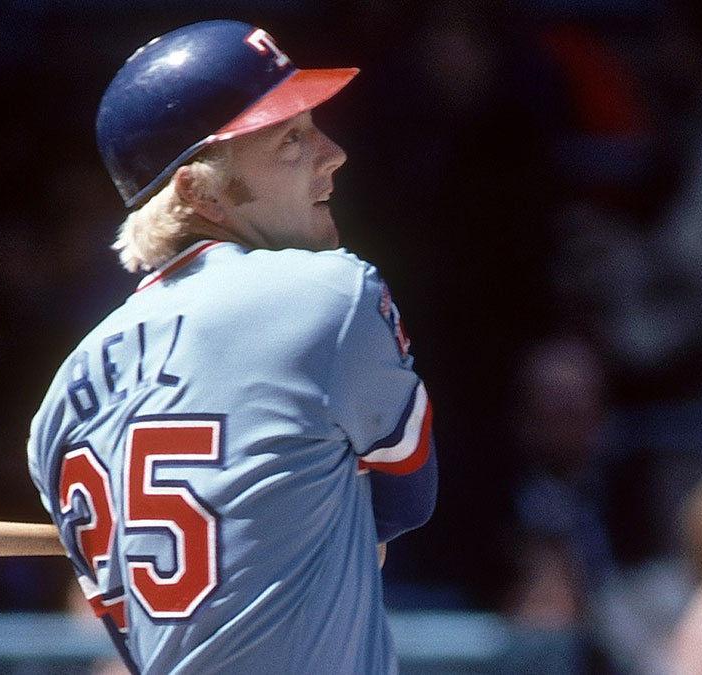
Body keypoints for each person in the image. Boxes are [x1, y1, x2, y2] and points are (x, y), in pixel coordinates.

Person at [26, 20, 437, 675]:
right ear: (199, 189)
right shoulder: (329, 295)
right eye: (291, 139)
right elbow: (405, 502)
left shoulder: (57, 407)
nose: (333, 154)